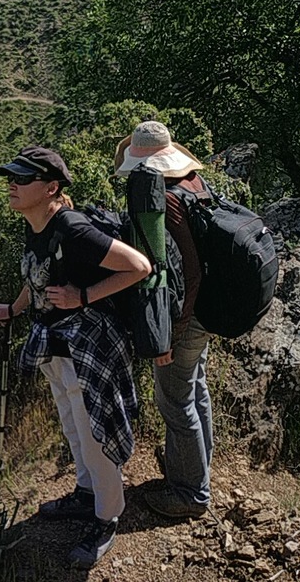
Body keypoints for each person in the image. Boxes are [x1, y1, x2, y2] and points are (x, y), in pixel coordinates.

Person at [0, 146, 152, 569]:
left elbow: (138, 266)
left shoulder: (72, 228)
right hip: (56, 344)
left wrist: (83, 296)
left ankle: (107, 517)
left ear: (51, 188)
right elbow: (36, 274)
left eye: (22, 179)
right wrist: (16, 308)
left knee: (95, 432)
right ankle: (86, 493)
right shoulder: (36, 223)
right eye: (12, 175)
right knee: (72, 422)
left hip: (88, 346)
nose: (12, 184)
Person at [114, 120, 214, 520]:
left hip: (186, 317)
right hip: (207, 311)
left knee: (175, 402)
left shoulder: (164, 202)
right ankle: (197, 468)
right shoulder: (194, 184)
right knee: (195, 391)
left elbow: (184, 273)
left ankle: (191, 492)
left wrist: (168, 334)